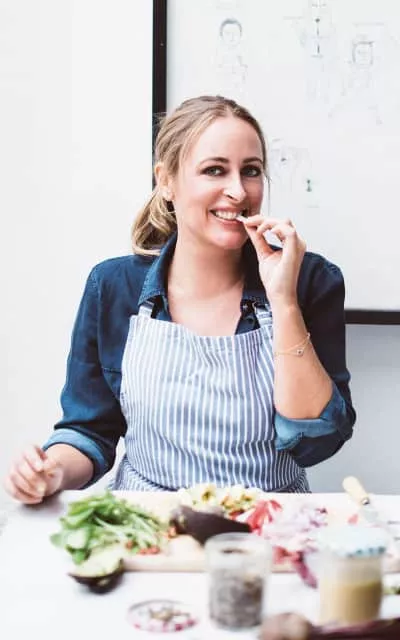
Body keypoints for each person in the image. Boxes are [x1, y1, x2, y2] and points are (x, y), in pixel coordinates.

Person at [4, 95, 356, 504]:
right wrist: (51, 472)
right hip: (148, 521)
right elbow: (90, 431)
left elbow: (316, 442)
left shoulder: (311, 280)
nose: (238, 191)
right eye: (214, 170)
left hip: (268, 521)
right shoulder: (114, 286)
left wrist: (284, 301)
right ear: (166, 180)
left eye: (251, 171)